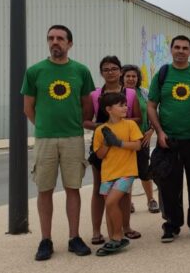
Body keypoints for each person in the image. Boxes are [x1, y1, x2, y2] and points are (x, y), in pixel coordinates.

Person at [21, 25, 94, 260]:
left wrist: (74, 124)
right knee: (45, 189)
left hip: (73, 137)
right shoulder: (35, 72)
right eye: (51, 38)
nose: (55, 42)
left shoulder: (81, 71)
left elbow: (87, 106)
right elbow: (28, 108)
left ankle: (74, 238)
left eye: (60, 38)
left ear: (69, 44)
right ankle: (46, 240)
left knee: (73, 188)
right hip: (45, 139)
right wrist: (44, 125)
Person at [147, 35, 190, 243]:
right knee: (169, 185)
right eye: (177, 47)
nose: (181, 51)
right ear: (171, 50)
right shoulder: (163, 74)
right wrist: (159, 132)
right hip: (170, 140)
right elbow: (151, 105)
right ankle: (172, 225)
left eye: (185, 48)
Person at [84, 56, 142, 245]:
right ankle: (96, 230)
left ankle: (126, 227)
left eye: (114, 68)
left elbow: (138, 118)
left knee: (124, 191)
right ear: (101, 72)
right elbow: (85, 120)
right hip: (102, 144)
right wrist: (104, 128)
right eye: (106, 69)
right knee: (99, 189)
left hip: (124, 146)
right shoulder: (94, 95)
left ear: (120, 71)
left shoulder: (131, 94)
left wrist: (118, 127)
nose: (111, 72)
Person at [92, 92, 143, 256]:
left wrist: (118, 143)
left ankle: (118, 237)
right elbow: (100, 155)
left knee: (111, 202)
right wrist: (107, 143)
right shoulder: (100, 130)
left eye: (125, 104)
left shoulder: (130, 125)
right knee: (109, 206)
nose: (125, 107)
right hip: (107, 174)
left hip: (127, 172)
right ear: (108, 109)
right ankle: (113, 238)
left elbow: (137, 146)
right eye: (120, 105)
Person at [121, 65, 159, 214]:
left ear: (138, 78)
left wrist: (151, 130)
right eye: (128, 76)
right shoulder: (118, 93)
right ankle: (127, 202)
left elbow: (153, 112)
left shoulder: (144, 93)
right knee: (126, 173)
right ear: (122, 77)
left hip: (142, 138)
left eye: (134, 76)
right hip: (123, 140)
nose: (131, 79)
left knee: (144, 171)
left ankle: (151, 200)